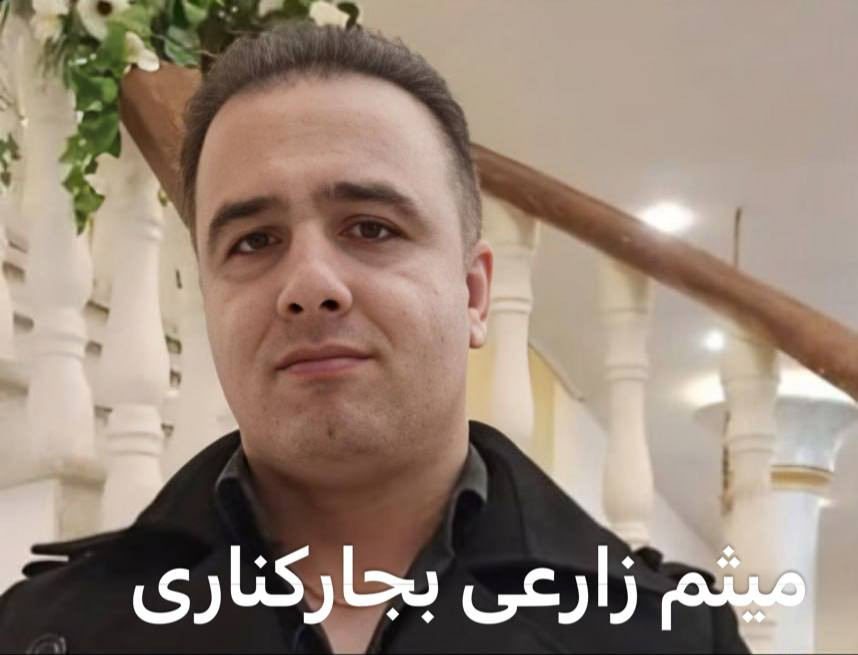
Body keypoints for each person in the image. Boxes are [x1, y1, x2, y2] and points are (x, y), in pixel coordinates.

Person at [0, 24, 748, 654]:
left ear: (473, 293)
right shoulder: (41, 628)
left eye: (371, 228)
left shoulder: (670, 634)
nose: (308, 284)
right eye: (254, 241)